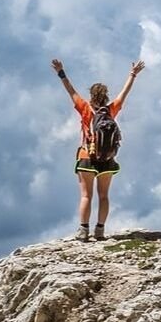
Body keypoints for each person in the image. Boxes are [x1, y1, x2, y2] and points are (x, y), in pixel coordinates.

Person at [51, 58, 144, 240]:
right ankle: (100, 230)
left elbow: (70, 90)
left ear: (91, 96)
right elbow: (124, 93)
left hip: (87, 156)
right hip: (107, 160)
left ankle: (84, 230)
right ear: (106, 96)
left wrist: (61, 72)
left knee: (86, 196)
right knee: (104, 196)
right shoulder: (111, 110)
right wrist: (133, 75)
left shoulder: (85, 108)